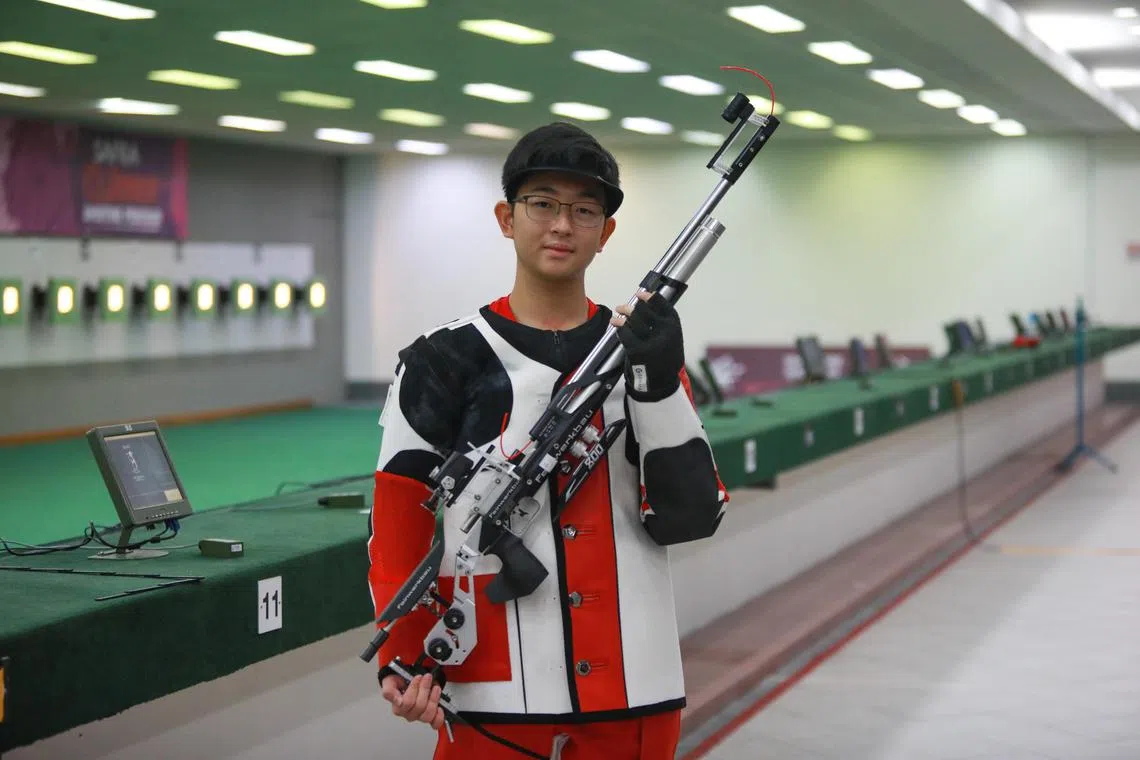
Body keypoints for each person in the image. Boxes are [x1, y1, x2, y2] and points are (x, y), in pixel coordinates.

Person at [367, 121, 729, 760]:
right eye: (542, 204)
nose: (562, 225)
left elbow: (691, 515)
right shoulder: (439, 361)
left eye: (584, 210)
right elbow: (397, 525)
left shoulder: (641, 354)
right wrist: (406, 653)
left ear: (605, 232)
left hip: (634, 689)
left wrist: (660, 381)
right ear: (507, 217)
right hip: (489, 692)